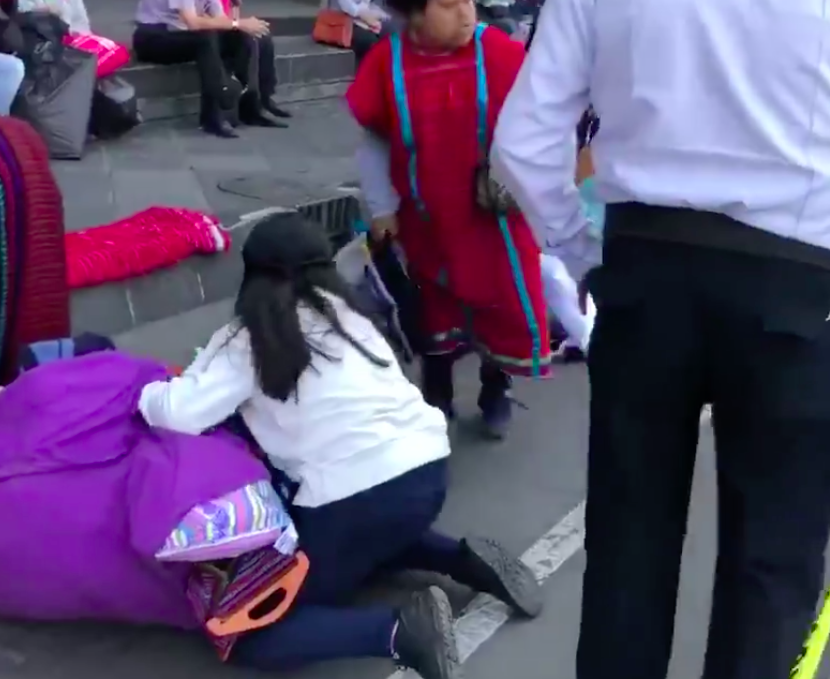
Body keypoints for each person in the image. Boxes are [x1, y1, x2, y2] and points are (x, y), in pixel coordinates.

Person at [490, 0, 830, 676]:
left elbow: (522, 142)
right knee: (772, 561)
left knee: (627, 544)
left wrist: (583, 251)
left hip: (643, 269)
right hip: (790, 281)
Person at [136, 212, 543, 679]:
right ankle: (463, 562)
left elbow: (177, 413)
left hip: (350, 501)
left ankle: (397, 632)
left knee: (250, 631)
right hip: (427, 474)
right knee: (366, 540)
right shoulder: (352, 316)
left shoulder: (249, 339)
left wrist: (141, 391)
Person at [346, 0, 551, 440]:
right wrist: (382, 208)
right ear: (417, 13)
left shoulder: (497, 52)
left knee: (500, 304)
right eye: (449, 4)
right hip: (425, 221)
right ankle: (435, 396)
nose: (465, 14)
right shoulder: (388, 63)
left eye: (468, 1)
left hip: (491, 219)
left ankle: (495, 388)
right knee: (432, 311)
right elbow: (374, 143)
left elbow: (539, 122)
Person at [132, 0, 282, 139]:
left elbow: (220, 18)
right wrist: (237, 23)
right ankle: (220, 99)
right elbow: (192, 22)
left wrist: (240, 27)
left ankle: (248, 106)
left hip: (181, 35)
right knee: (206, 39)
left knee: (240, 37)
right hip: (152, 37)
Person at [210, 0, 292, 120]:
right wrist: (237, 26)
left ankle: (266, 96)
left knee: (263, 34)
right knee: (249, 41)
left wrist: (238, 22)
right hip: (215, 27)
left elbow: (234, 2)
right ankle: (250, 103)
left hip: (229, 23)